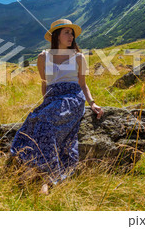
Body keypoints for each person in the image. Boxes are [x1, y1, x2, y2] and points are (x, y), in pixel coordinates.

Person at [9, 18, 104, 195]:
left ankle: (46, 178)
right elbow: (44, 84)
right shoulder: (43, 57)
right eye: (67, 32)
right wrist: (46, 103)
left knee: (46, 123)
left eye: (72, 33)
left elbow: (83, 84)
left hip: (72, 97)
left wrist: (92, 103)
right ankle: (30, 168)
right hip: (52, 98)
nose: (71, 36)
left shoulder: (78, 57)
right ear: (57, 36)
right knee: (33, 121)